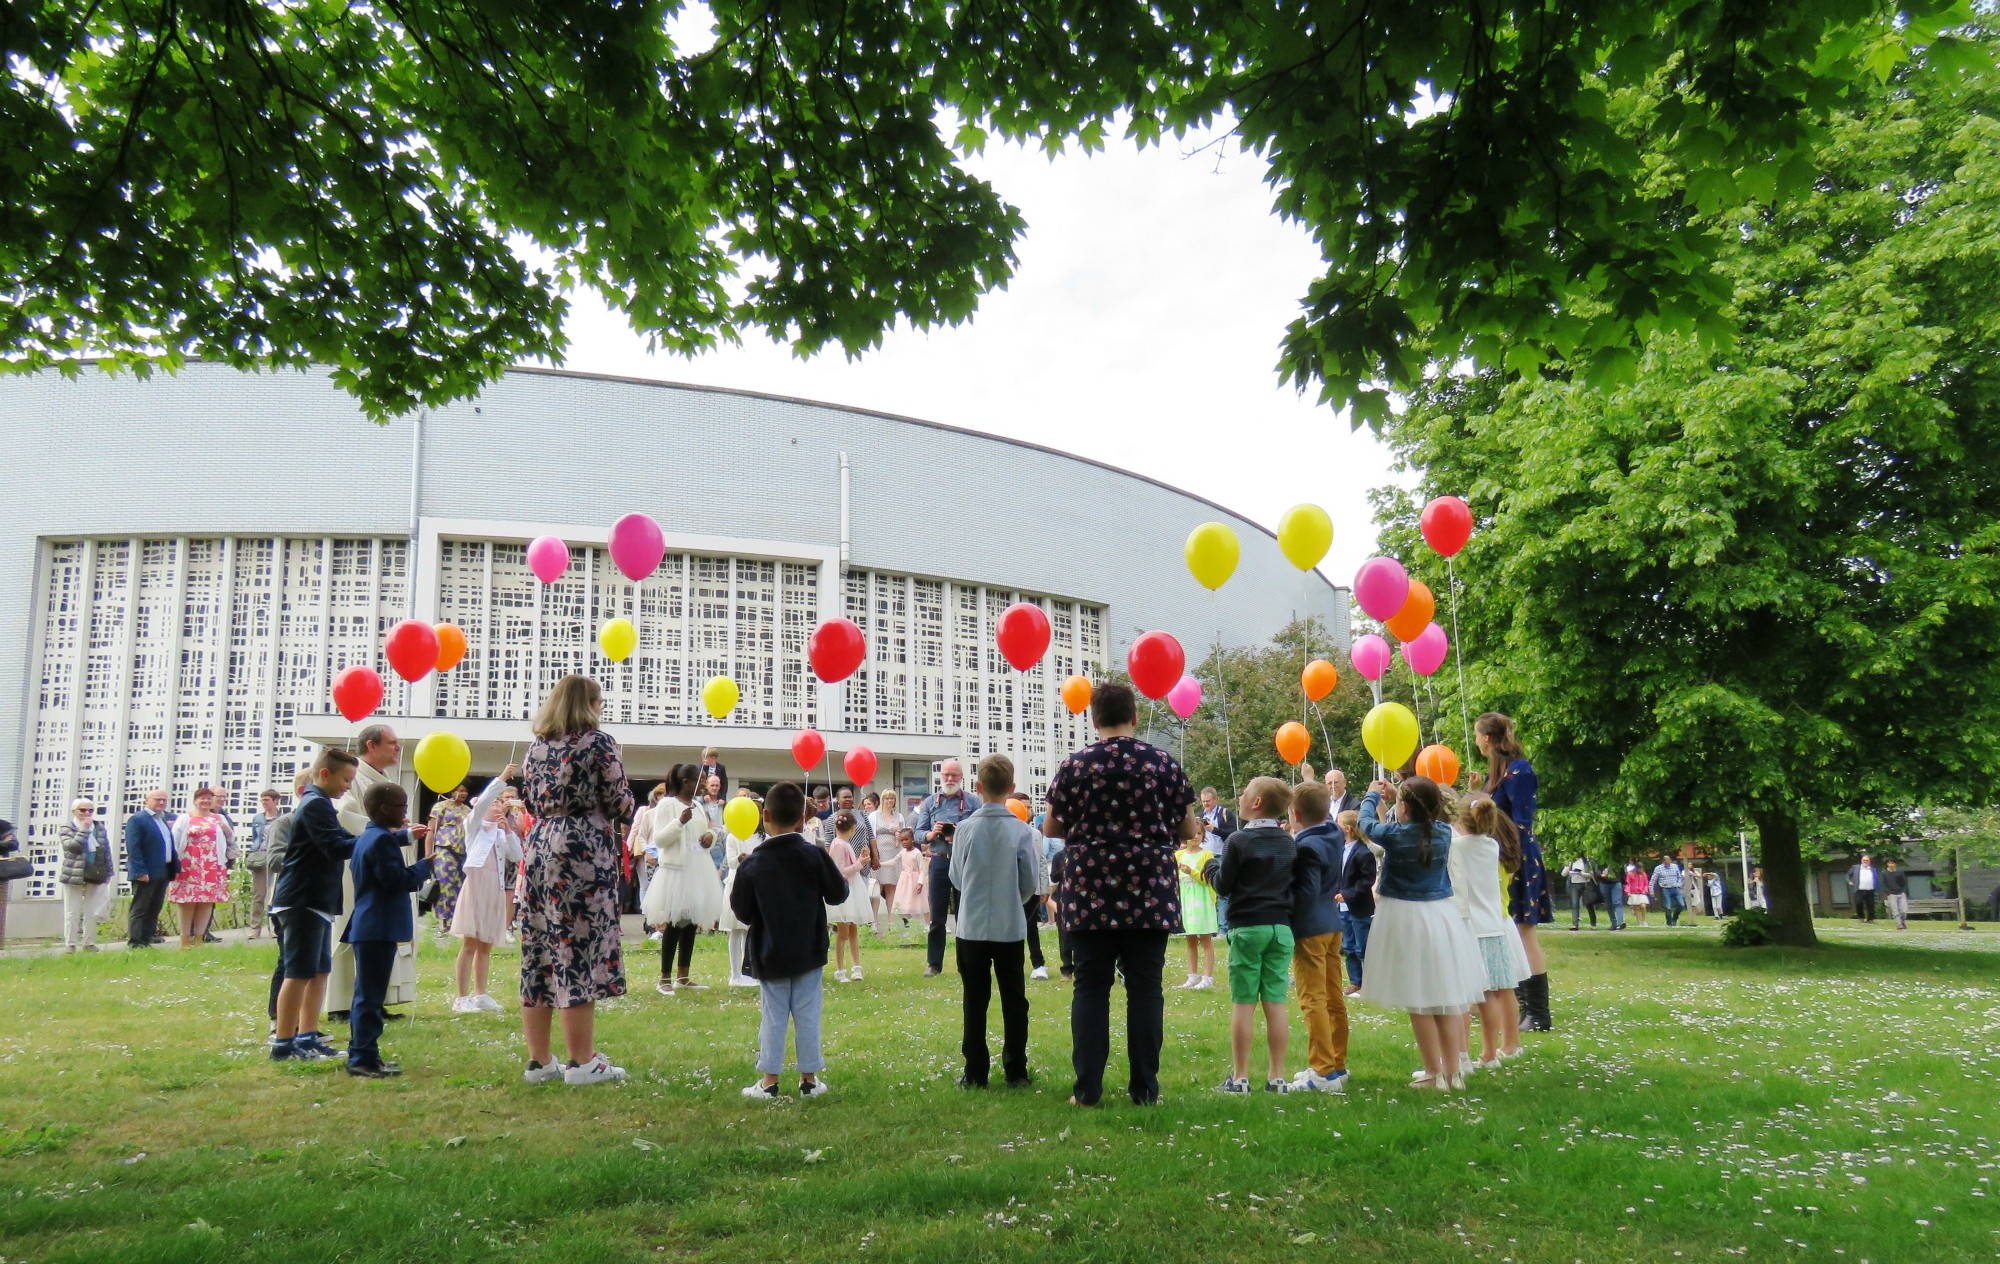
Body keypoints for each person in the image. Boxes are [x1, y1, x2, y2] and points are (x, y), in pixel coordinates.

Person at [1043, 681, 1194, 1108]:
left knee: (1090, 987)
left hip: (1090, 889)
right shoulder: (1162, 763)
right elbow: (1187, 830)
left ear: (1094, 720)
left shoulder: (1076, 765)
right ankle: (1145, 1091)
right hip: (1149, 888)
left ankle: (1087, 1090)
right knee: (1146, 989)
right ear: (1133, 716)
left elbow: (1051, 828)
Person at [517, 675, 637, 1086]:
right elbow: (621, 802)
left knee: (539, 952)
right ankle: (582, 1062)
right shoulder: (599, 743)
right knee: (577, 950)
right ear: (589, 704)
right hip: (581, 850)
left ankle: (539, 1062)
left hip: (539, 846)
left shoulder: (536, 748)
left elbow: (531, 801)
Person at [1357, 776, 1487, 1091]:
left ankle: (1433, 1073)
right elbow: (1421, 815)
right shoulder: (1443, 832)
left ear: (1403, 807)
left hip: (1404, 919)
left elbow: (1364, 823)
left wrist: (1373, 796)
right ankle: (1453, 1073)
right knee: (1445, 998)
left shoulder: (1394, 835)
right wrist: (1398, 796)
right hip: (1441, 917)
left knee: (1419, 1000)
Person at [730, 782, 847, 1100]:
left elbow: (742, 911)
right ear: (801, 820)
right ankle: (809, 1079)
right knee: (808, 1013)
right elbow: (839, 893)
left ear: (764, 815)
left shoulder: (753, 863)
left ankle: (769, 1081)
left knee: (773, 1015)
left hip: (771, 952)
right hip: (808, 949)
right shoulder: (813, 855)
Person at [948, 755, 1038, 1088]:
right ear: (1012, 790)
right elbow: (1029, 882)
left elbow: (956, 876)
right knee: (1015, 999)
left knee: (975, 998)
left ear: (978, 787)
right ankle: (1016, 1069)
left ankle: (975, 1072)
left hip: (971, 927)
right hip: (1009, 926)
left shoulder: (965, 829)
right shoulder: (1021, 831)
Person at [1206, 776, 1298, 1095]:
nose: (1240, 796)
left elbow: (1223, 885)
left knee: (1244, 1003)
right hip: (1281, 929)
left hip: (1248, 927)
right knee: (1276, 1002)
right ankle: (1277, 1077)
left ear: (1256, 802)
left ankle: (1241, 1077)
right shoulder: (1288, 842)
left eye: (1244, 793)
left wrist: (1209, 868)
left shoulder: (1237, 841)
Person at [270, 749, 361, 1062]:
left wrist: (386, 834)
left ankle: (308, 1037)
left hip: (317, 900)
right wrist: (377, 839)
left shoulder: (321, 804)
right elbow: (334, 845)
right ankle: (284, 1044)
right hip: (301, 900)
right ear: (325, 774)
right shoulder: (314, 804)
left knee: (320, 970)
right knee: (298, 973)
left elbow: (344, 836)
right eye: (346, 779)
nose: (349, 786)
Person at [330, 726, 421, 1022]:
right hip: (362, 866)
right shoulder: (354, 776)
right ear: (371, 745)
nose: (398, 748)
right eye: (392, 743)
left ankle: (375, 999)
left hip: (384, 857)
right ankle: (344, 1003)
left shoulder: (382, 777)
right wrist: (382, 829)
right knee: (356, 933)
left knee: (380, 936)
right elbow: (345, 814)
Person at [343, 782, 435, 1077]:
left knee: (368, 995)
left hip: (371, 926)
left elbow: (388, 848)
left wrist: (407, 837)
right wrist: (424, 867)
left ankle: (366, 1052)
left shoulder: (371, 836)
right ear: (384, 808)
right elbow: (394, 880)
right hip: (376, 927)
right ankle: (361, 1058)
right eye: (401, 807)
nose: (406, 813)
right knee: (369, 997)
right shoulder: (380, 840)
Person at [1479, 712, 1554, 1032]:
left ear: (1487, 738)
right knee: (1513, 933)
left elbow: (1522, 822)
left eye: (1477, 735)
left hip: (1518, 859)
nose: (1476, 741)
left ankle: (1538, 1013)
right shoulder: (1499, 772)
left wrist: (1511, 862)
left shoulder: (1519, 772)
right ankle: (1524, 1008)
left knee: (1525, 932)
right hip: (1502, 859)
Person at [1449, 797, 1530, 1066]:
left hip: (1470, 928)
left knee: (1462, 998)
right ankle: (1490, 1053)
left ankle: (1460, 1056)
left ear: (1461, 821)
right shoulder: (1492, 846)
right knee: (1491, 994)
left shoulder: (1457, 846)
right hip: (1493, 926)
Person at [1286, 782, 1348, 1092]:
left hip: (1310, 928)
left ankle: (1323, 1071)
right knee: (1333, 996)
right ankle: (1336, 1063)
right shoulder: (1335, 832)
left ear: (1295, 814)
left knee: (1313, 1000)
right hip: (1332, 923)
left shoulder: (1305, 846)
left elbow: (1306, 892)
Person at [641, 763, 724, 996]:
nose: (705, 783)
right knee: (675, 923)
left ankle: (683, 976)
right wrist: (679, 822)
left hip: (697, 868)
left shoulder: (698, 805)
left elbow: (708, 830)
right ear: (687, 781)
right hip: (675, 871)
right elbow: (659, 839)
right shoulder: (668, 804)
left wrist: (710, 836)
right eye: (701, 779)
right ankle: (664, 978)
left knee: (690, 923)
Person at [450, 768, 523, 1013]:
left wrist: (509, 831)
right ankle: (461, 997)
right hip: (476, 886)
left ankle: (480, 993)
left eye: (501, 804)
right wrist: (502, 778)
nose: (497, 807)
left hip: (494, 889)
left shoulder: (501, 835)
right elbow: (481, 804)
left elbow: (517, 855)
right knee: (470, 942)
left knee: (485, 944)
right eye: (495, 803)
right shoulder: (475, 827)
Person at [912, 761, 981, 975]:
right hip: (939, 860)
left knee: (965, 915)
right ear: (940, 777)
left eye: (954, 775)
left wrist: (961, 831)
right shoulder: (931, 802)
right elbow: (917, 832)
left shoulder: (972, 801)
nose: (950, 779)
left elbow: (981, 830)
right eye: (946, 775)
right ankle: (934, 964)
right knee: (937, 917)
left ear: (961, 777)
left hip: (964, 861)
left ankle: (966, 964)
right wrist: (931, 835)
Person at [168, 787, 230, 948]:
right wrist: (174, 863)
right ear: (195, 800)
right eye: (202, 798)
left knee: (206, 901)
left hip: (211, 864)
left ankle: (199, 939)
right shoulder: (185, 818)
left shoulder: (219, 818)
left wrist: (226, 829)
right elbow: (174, 840)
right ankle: (184, 940)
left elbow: (230, 838)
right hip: (189, 863)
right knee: (187, 901)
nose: (205, 801)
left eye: (209, 798)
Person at [122, 788, 177, 947]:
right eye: (157, 799)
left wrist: (173, 869)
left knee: (154, 907)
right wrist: (140, 871)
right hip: (145, 872)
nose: (161, 803)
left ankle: (147, 939)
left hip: (163, 871)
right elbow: (133, 847)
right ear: (147, 801)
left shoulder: (163, 819)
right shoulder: (138, 819)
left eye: (164, 800)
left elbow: (168, 845)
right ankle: (136, 941)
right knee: (141, 907)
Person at [58, 798, 114, 951]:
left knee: (92, 910)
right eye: (83, 810)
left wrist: (108, 871)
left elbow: (105, 850)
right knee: (72, 910)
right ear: (74, 812)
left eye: (90, 810)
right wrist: (83, 830)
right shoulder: (66, 827)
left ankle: (89, 943)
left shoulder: (99, 827)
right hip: (74, 873)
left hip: (94, 872)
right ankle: (70, 944)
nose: (87, 813)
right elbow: (73, 848)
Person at [718, 808, 765, 987]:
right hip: (736, 884)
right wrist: (739, 858)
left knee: (749, 931)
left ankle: (748, 972)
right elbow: (730, 862)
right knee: (736, 930)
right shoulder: (733, 837)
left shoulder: (761, 837)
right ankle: (735, 974)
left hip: (755, 885)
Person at [1333, 808, 1377, 995]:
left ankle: (1371, 982)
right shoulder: (1339, 850)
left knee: (1363, 946)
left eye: (1339, 824)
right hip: (1343, 907)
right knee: (1348, 946)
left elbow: (1367, 880)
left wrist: (1348, 894)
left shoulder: (1363, 852)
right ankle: (1355, 981)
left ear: (1348, 829)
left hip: (1359, 907)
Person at [1009, 791, 1052, 979]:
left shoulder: (1035, 834)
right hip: (1009, 888)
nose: (1026, 810)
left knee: (1030, 926)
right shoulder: (1006, 832)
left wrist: (1044, 888)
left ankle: (1038, 963)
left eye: (1028, 807)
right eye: (1022, 806)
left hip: (1031, 888)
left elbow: (1041, 861)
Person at [825, 810, 872, 981]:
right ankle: (840, 970)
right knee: (843, 932)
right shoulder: (838, 845)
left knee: (853, 930)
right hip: (845, 891)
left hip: (852, 889)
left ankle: (856, 966)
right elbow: (840, 871)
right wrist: (860, 864)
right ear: (853, 828)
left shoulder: (844, 844)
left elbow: (849, 865)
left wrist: (860, 860)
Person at [1173, 816, 1218, 989]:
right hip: (1185, 900)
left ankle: (1207, 977)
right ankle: (1192, 975)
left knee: (1205, 939)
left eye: (1199, 833)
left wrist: (1191, 872)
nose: (1196, 836)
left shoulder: (1207, 855)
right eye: (1193, 833)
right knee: (1190, 939)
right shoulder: (1178, 855)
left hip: (1201, 900)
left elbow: (1208, 880)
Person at [425, 783, 473, 940]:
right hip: (445, 849)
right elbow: (431, 830)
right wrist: (428, 854)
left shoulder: (468, 810)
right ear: (452, 790)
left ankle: (456, 922)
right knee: (445, 884)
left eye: (465, 791)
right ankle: (443, 921)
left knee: (460, 886)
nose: (462, 793)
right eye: (460, 790)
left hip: (463, 851)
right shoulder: (441, 806)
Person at [241, 788, 287, 939]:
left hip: (276, 857)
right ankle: (255, 928)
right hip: (260, 858)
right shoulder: (258, 819)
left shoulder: (283, 818)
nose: (264, 803)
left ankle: (274, 926)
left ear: (275, 801)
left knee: (275, 893)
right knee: (258, 894)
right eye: (262, 800)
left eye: (267, 800)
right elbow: (255, 838)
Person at [627, 784, 667, 937]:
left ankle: (660, 923)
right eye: (660, 794)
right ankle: (649, 919)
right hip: (649, 856)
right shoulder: (646, 813)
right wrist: (632, 850)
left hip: (665, 857)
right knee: (647, 888)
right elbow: (638, 833)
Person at [867, 791, 907, 933]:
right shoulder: (874, 816)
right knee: (877, 888)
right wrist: (873, 855)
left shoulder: (899, 816)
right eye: (887, 798)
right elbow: (870, 835)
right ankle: (874, 921)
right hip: (879, 853)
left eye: (892, 798)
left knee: (891, 888)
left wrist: (899, 835)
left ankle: (891, 921)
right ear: (882, 800)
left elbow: (904, 835)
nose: (889, 801)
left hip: (894, 853)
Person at [892, 829, 928, 926]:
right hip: (904, 882)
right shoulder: (902, 852)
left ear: (912, 839)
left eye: (906, 839)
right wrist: (879, 864)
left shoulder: (917, 853)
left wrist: (920, 883)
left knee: (913, 906)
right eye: (901, 840)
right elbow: (893, 861)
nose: (904, 842)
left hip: (914, 882)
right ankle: (909, 925)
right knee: (900, 907)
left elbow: (922, 870)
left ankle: (917, 926)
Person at [1650, 856, 1688, 926]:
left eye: (1669, 860)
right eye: (1667, 861)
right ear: (1663, 861)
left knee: (1681, 904)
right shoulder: (1658, 868)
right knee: (1668, 906)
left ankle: (1675, 918)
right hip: (1665, 888)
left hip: (1675, 888)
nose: (1668, 862)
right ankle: (1669, 922)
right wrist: (1651, 891)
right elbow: (1653, 880)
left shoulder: (1675, 866)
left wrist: (1679, 884)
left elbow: (1679, 876)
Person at [1563, 855, 1596, 931]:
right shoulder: (1571, 861)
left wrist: (1581, 874)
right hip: (1574, 884)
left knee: (1588, 904)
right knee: (1574, 904)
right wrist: (1568, 870)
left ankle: (1593, 923)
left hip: (1585, 884)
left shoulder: (1586, 861)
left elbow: (1590, 874)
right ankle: (1575, 924)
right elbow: (1563, 874)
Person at [1595, 858, 1626, 931]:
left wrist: (1623, 882)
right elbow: (1596, 871)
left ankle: (1620, 922)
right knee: (1608, 904)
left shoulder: (1617, 859)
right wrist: (1600, 875)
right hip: (1604, 883)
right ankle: (1614, 923)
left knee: (1617, 902)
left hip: (1616, 882)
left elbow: (1622, 872)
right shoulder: (1600, 858)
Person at [1848, 854, 1879, 923]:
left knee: (1871, 905)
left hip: (1870, 890)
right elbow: (1848, 875)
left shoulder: (1872, 869)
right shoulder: (1855, 868)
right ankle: (1861, 917)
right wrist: (1849, 881)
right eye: (1864, 860)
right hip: (1859, 890)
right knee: (1858, 903)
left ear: (1869, 861)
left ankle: (1870, 919)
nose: (1865, 861)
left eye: (1867, 860)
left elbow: (1876, 879)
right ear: (1861, 861)